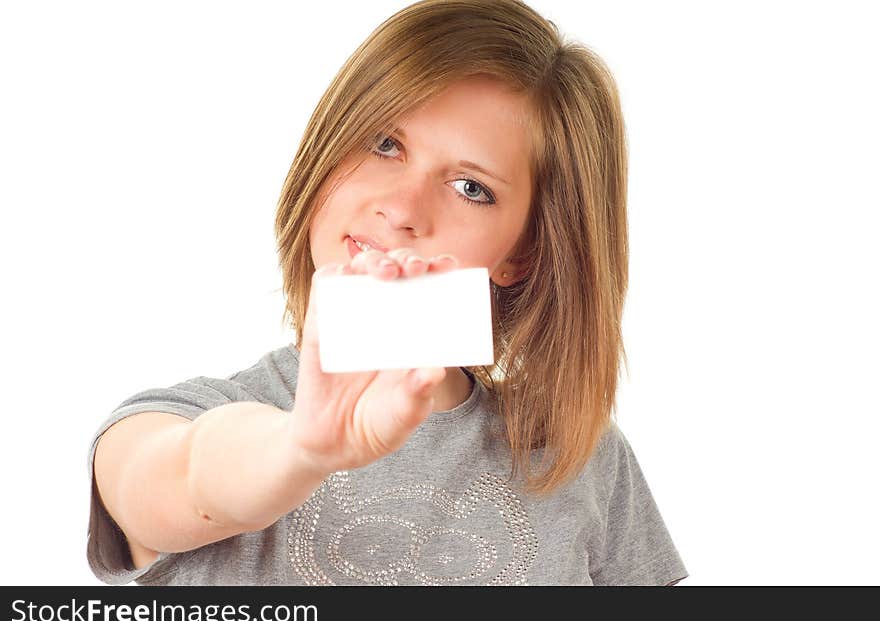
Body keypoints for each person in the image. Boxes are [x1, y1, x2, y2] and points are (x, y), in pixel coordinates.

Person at [87, 0, 688, 586]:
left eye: (471, 187)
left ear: (522, 253)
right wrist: (300, 451)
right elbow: (190, 474)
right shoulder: (171, 421)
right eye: (384, 144)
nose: (401, 208)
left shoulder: (583, 459)